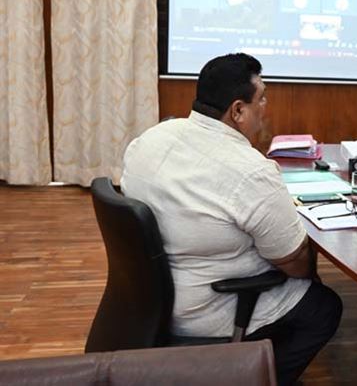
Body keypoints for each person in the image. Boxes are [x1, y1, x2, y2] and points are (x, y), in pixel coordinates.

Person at [121, 53, 341, 386]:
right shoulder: (250, 170)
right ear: (238, 110)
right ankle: (254, 377)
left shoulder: (151, 138)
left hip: (148, 298)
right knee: (323, 306)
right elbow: (295, 262)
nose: (265, 106)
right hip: (210, 307)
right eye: (262, 98)